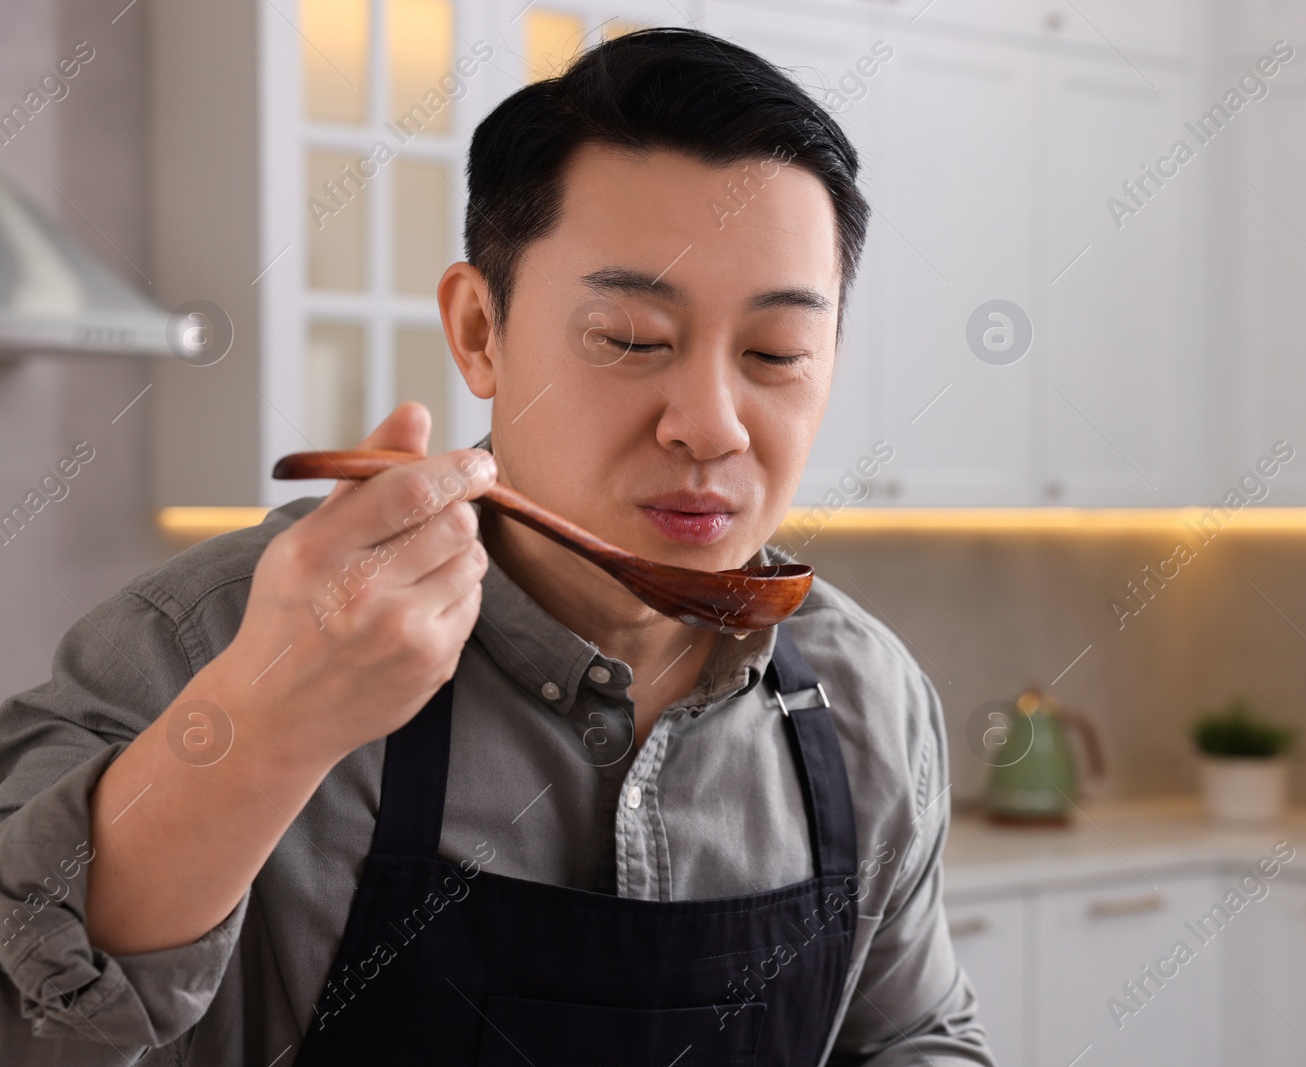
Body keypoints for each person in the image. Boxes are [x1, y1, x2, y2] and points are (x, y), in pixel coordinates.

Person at [0, 26, 993, 1066]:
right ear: (479, 331)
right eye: (630, 340)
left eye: (776, 352)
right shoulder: (203, 643)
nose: (710, 424)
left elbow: (916, 1034)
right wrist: (263, 725)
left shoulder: (865, 695)